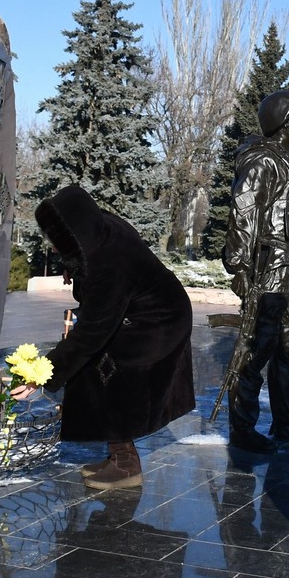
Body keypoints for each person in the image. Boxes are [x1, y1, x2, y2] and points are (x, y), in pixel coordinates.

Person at [30, 185, 195, 489]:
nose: (52, 248)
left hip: (160, 321)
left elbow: (90, 333)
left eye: (58, 241)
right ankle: (119, 457)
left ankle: (126, 466)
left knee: (105, 369)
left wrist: (41, 373)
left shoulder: (110, 265)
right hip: (149, 311)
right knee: (100, 368)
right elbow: (88, 272)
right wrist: (73, 263)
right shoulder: (99, 230)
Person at [222, 90, 289, 454]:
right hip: (274, 263)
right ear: (283, 121)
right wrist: (238, 264)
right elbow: (245, 210)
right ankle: (242, 426)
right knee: (260, 344)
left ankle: (287, 423)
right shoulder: (262, 161)